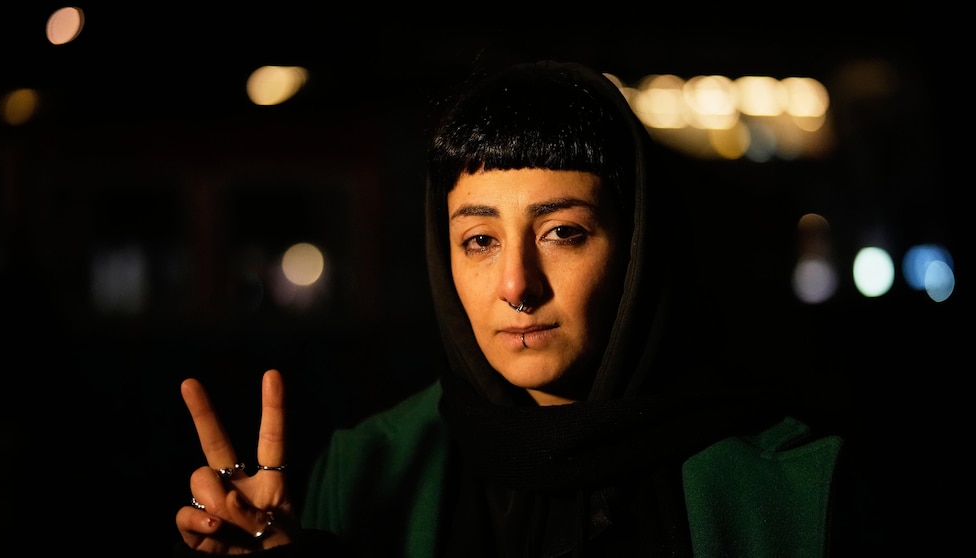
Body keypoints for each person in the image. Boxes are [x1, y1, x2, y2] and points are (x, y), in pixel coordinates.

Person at [175, 59, 870, 557]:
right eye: (479, 240)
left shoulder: (790, 492)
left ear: (637, 247)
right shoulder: (370, 472)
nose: (516, 285)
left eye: (561, 232)